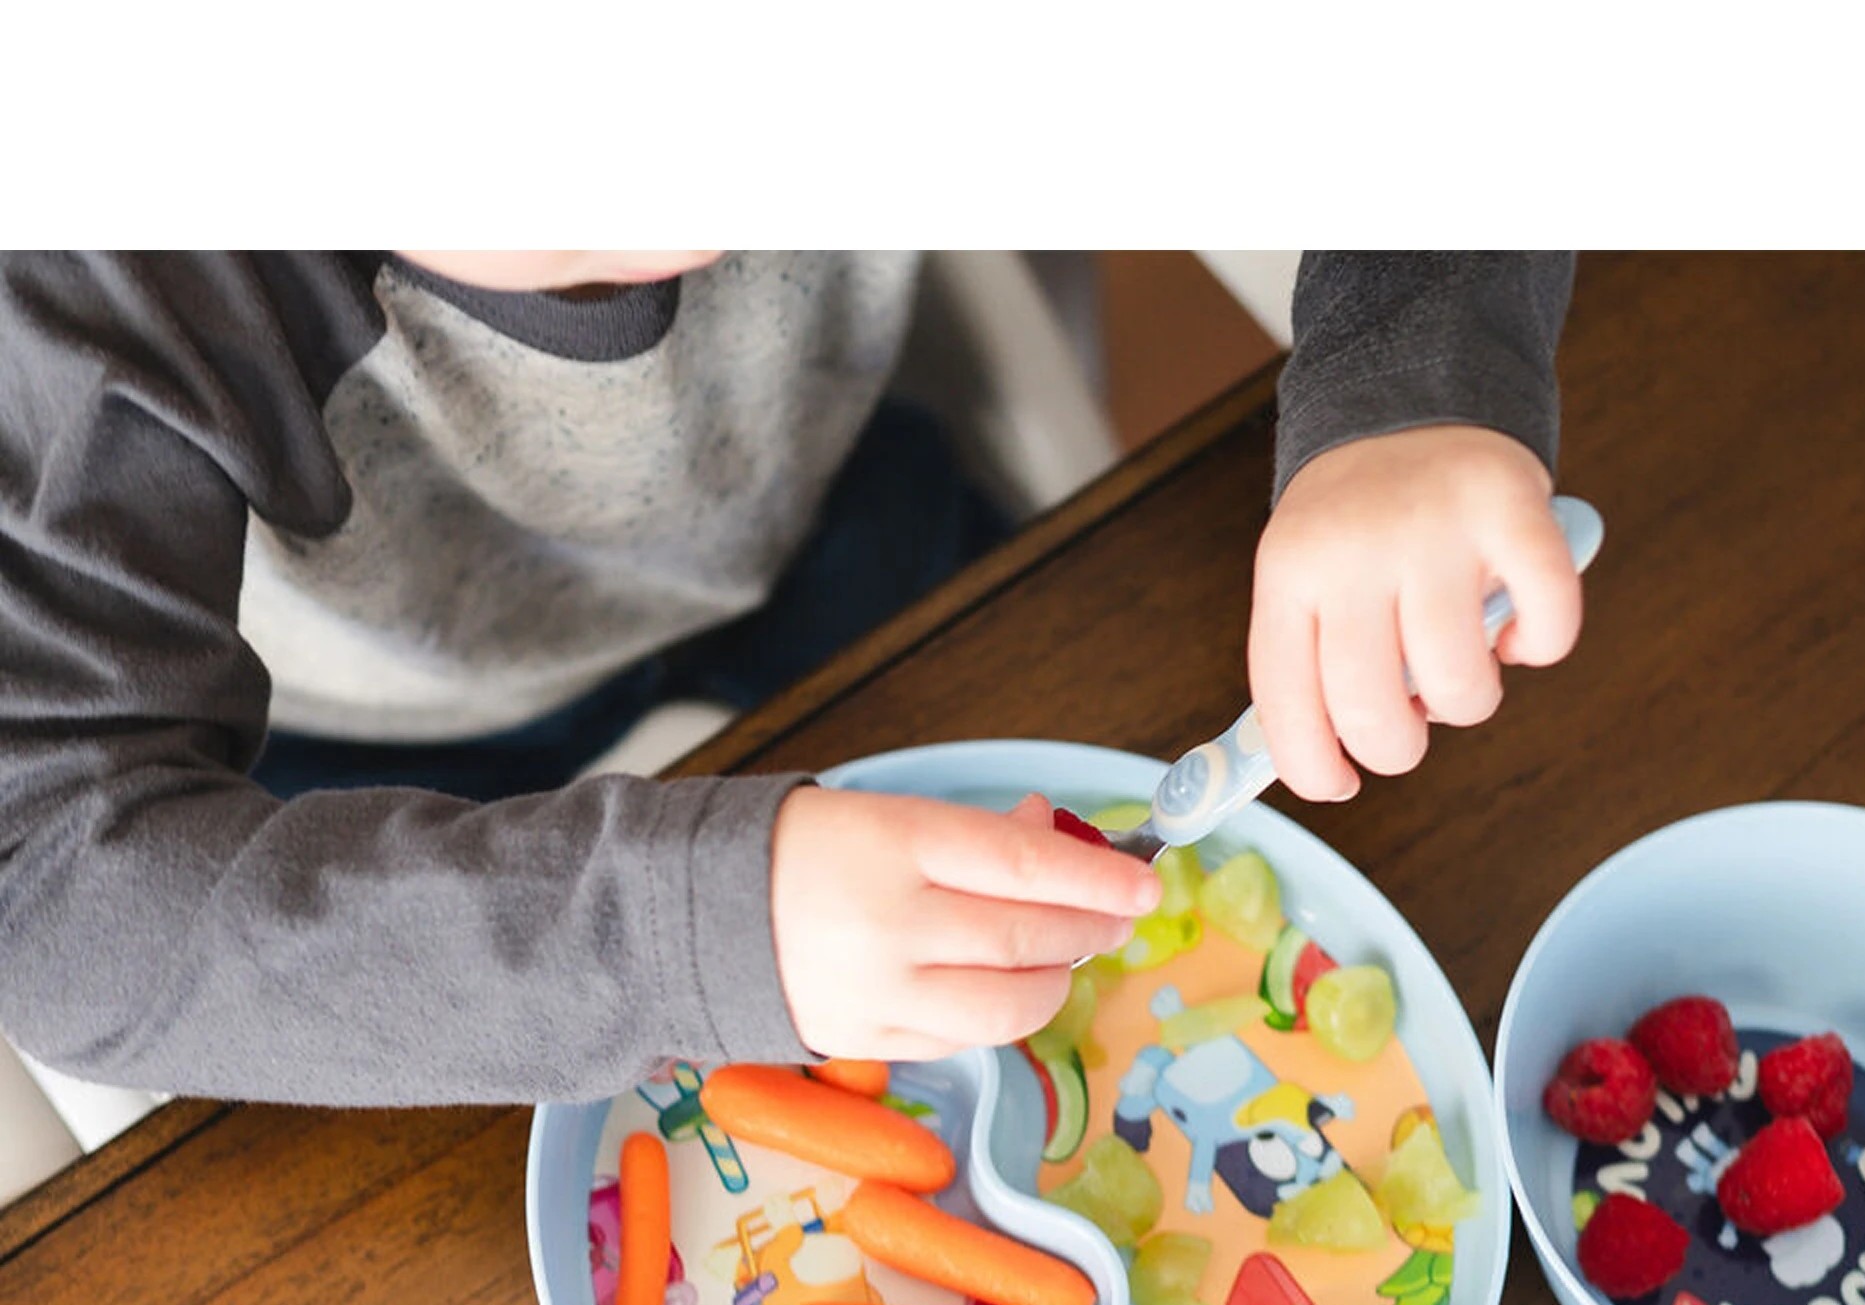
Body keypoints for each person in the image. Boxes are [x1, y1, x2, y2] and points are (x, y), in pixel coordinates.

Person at [0, 251, 1581, 1105]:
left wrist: (1416, 380)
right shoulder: (88, 282)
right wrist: (692, 934)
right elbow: (55, 890)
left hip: (847, 541)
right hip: (371, 789)